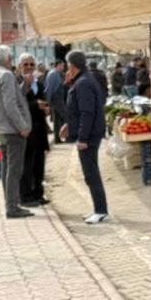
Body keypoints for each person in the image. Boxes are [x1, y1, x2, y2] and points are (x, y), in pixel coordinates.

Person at [63, 49, 110, 224]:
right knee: (90, 172)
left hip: (89, 136)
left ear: (72, 65)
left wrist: (82, 138)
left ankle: (100, 210)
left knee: (91, 173)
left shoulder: (83, 83)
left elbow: (87, 112)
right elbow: (78, 109)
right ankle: (98, 208)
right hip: (90, 133)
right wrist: (70, 126)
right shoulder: (82, 80)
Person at [0, 45, 33, 220]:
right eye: (11, 58)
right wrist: (22, 126)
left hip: (3, 129)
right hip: (13, 130)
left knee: (7, 168)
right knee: (14, 170)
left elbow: (14, 97)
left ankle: (11, 203)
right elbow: (10, 104)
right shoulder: (6, 75)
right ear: (7, 58)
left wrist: (24, 86)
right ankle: (12, 206)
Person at [18, 53, 50, 206]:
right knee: (26, 166)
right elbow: (17, 106)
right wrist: (35, 105)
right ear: (20, 67)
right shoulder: (17, 84)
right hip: (26, 131)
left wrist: (46, 108)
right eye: (26, 64)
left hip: (40, 130)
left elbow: (44, 101)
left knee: (39, 165)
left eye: (32, 64)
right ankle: (26, 196)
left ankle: (38, 193)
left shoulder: (40, 83)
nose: (29, 67)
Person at [43, 59, 68, 142]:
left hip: (58, 99)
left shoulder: (57, 74)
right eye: (63, 65)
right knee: (66, 116)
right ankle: (66, 136)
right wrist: (48, 102)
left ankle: (57, 139)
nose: (64, 67)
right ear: (58, 65)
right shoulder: (53, 74)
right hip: (56, 99)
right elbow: (49, 89)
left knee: (57, 119)